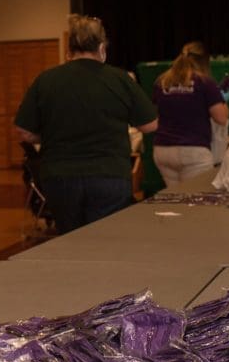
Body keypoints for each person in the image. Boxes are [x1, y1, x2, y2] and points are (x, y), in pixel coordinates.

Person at [14, 14, 158, 234]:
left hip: (60, 178)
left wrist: (49, 136)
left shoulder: (46, 80)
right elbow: (150, 125)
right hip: (109, 176)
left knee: (69, 241)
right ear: (102, 47)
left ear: (69, 49)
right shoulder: (119, 79)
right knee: (106, 241)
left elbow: (23, 132)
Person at [151, 42, 229, 187]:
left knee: (176, 201)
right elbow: (221, 118)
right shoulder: (204, 82)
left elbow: (155, 115)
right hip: (193, 151)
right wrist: (222, 98)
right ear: (205, 61)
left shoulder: (162, 81)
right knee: (196, 203)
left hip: (163, 150)